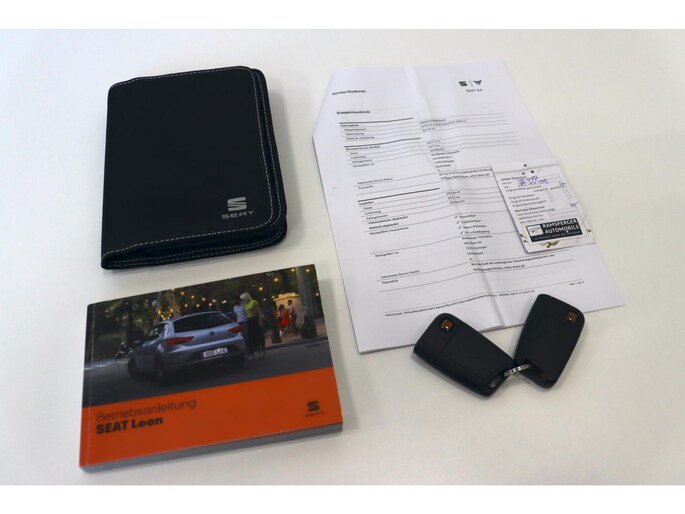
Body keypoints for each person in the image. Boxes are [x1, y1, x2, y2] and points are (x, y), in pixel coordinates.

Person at [241, 292, 265, 358]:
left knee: (259, 335)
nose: (243, 300)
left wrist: (260, 320)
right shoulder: (245, 305)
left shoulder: (254, 302)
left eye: (243, 299)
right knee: (253, 337)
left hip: (255, 319)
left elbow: (259, 311)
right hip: (249, 320)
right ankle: (258, 353)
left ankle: (263, 350)